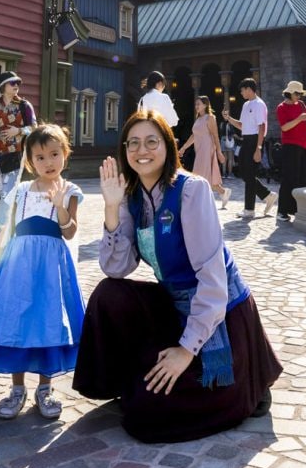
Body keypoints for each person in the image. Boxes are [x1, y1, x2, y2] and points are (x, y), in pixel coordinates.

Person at [72, 110, 282, 443]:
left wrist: (186, 351)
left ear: (168, 147)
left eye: (152, 141)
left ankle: (248, 385)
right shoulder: (132, 198)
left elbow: (212, 282)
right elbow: (116, 268)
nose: (143, 150)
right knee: (107, 294)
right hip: (173, 301)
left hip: (219, 313)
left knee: (147, 414)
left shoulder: (191, 190)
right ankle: (123, 380)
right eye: (134, 143)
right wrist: (111, 209)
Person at [0, 124, 85, 420]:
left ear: (65, 154)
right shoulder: (20, 191)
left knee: (48, 320)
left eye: (54, 154)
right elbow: (6, 231)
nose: (48, 162)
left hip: (50, 267)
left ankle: (45, 388)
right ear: (29, 161)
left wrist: (60, 207)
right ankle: (17, 387)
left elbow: (70, 232)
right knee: (16, 320)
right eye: (40, 157)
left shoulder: (70, 191)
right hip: (17, 266)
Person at [0, 72, 37, 247]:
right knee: (1, 192)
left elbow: (34, 128)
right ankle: (14, 227)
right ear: (3, 86)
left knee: (9, 192)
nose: (16, 86)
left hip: (16, 154)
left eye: (17, 83)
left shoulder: (24, 105)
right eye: (12, 83)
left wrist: (18, 131)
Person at [222, 78, 277, 219]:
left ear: (249, 89)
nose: (241, 92)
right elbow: (241, 125)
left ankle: (249, 209)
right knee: (244, 173)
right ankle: (267, 195)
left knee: (250, 174)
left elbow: (262, 126)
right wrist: (229, 119)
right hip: (246, 140)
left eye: (242, 89)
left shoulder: (259, 104)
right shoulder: (246, 105)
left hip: (254, 141)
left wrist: (258, 148)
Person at [178, 96, 231, 208]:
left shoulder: (210, 118)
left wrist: (219, 152)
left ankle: (202, 202)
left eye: (199, 104)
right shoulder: (198, 119)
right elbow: (193, 136)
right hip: (200, 150)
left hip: (207, 149)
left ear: (205, 105)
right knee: (203, 176)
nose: (197, 106)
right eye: (196, 104)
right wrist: (183, 148)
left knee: (202, 177)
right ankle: (223, 192)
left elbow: (216, 136)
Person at [276, 80, 306, 222]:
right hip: (290, 145)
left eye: (300, 94)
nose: (299, 96)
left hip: (304, 145)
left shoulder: (302, 105)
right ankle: (283, 211)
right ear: (290, 93)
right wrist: (299, 118)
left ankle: (302, 210)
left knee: (305, 177)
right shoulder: (281, 108)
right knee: (290, 178)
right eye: (297, 93)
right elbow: (284, 127)